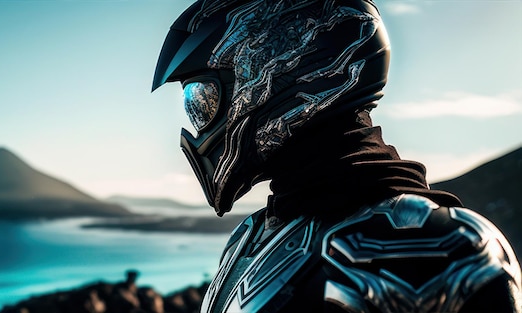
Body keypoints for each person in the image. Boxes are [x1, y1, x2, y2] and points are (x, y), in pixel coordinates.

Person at [152, 0, 522, 312]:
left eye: (201, 100)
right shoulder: (251, 238)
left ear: (284, 69)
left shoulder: (431, 244)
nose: (198, 122)